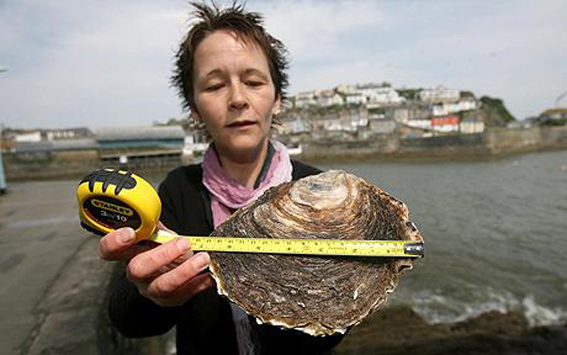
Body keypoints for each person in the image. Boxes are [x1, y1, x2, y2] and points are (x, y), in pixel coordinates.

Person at [98, 2, 344, 354]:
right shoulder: (177, 190)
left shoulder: (317, 190)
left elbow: (333, 330)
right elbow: (127, 319)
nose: (238, 99)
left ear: (277, 98)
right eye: (215, 86)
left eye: (254, 81)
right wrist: (147, 293)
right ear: (195, 108)